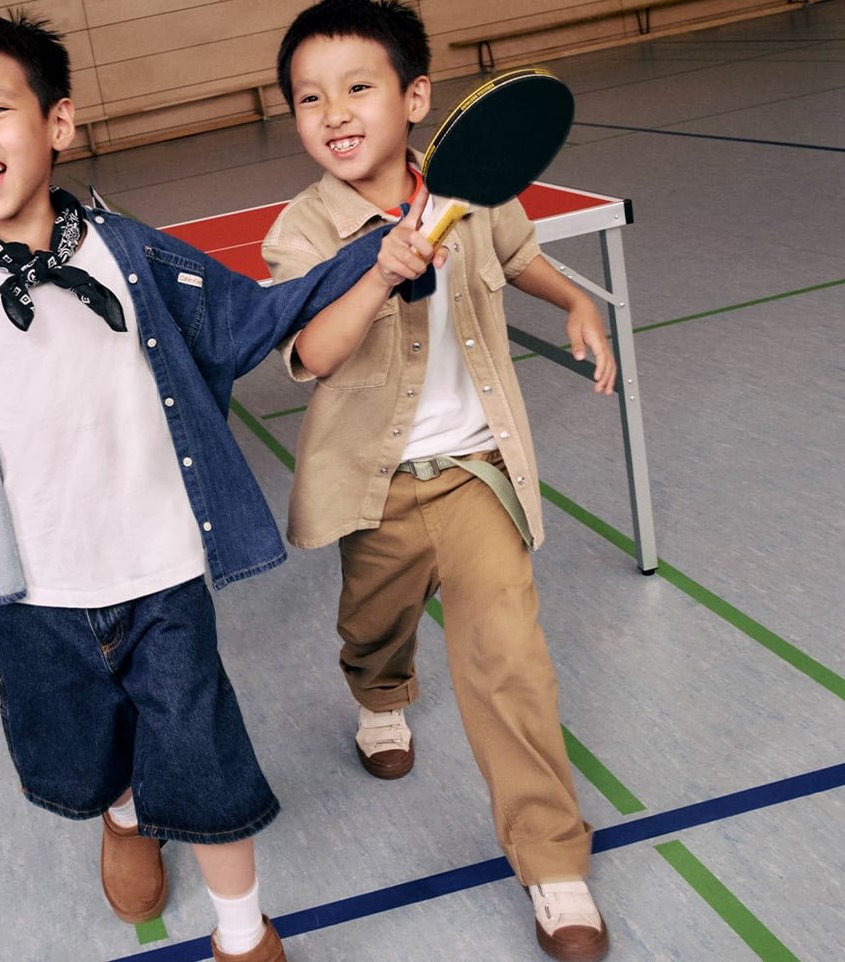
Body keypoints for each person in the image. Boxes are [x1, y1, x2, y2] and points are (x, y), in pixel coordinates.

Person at [0, 13, 427, 961]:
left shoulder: (129, 251)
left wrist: (376, 261)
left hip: (162, 569)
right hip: (37, 592)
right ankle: (127, 814)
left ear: (57, 123)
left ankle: (242, 932)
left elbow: (247, 319)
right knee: (85, 747)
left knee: (202, 746)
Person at [261, 2, 620, 959]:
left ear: (416, 98)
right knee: (372, 624)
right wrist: (377, 274)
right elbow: (314, 354)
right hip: (371, 486)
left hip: (473, 473)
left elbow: (521, 256)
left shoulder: (478, 190)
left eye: (358, 87)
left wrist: (574, 300)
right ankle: (380, 693)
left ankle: (553, 863)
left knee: (508, 655)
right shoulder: (302, 229)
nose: (334, 112)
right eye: (310, 98)